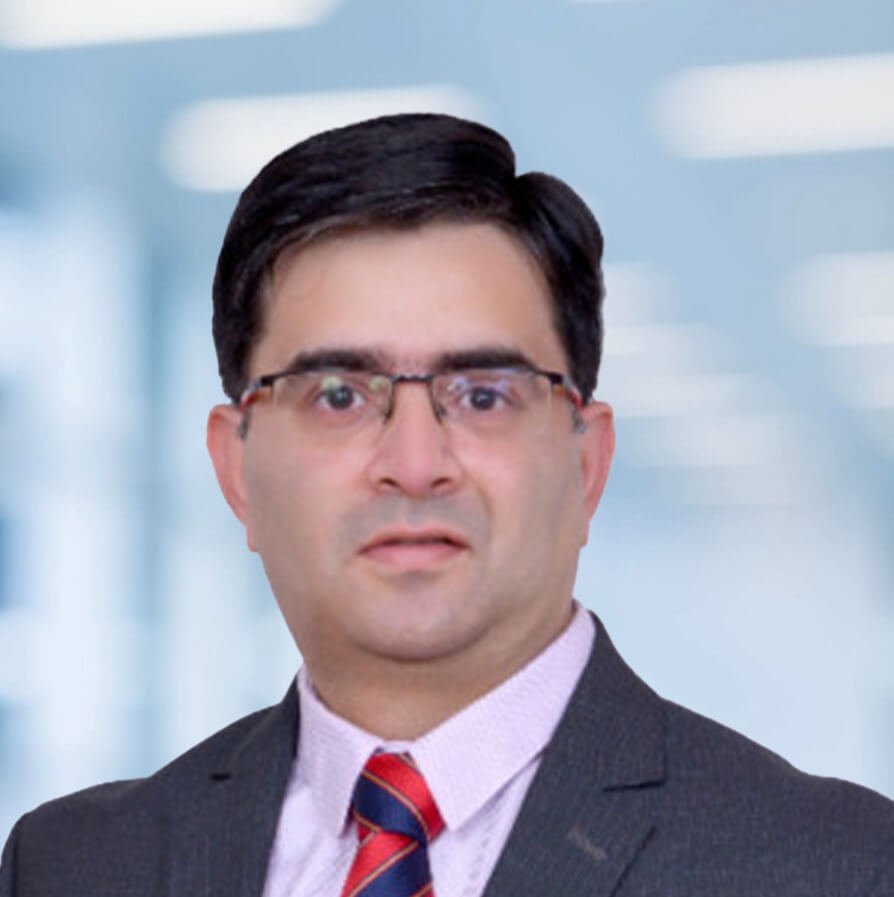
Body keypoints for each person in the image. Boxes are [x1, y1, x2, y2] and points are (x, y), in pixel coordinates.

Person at [1, 113, 892, 897]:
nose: (415, 464)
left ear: (587, 463)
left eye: (483, 395)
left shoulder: (836, 865)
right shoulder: (74, 865)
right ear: (236, 468)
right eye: (339, 395)